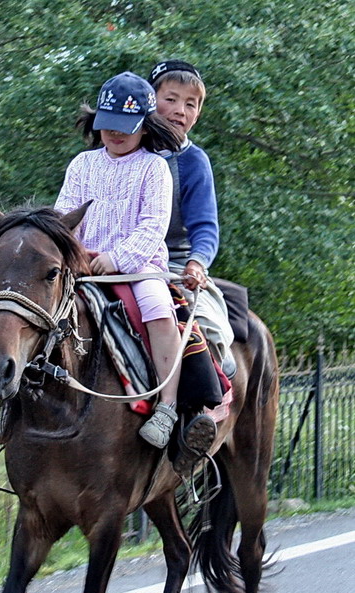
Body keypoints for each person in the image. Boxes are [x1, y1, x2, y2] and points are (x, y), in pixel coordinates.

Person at [55, 71, 186, 449]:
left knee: (159, 309)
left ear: (145, 127)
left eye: (125, 127)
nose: (115, 134)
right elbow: (65, 218)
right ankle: (20, 402)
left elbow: (152, 228)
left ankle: (167, 407)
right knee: (39, 309)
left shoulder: (154, 168)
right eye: (108, 126)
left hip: (140, 266)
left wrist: (117, 258)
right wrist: (78, 254)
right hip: (83, 266)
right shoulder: (82, 165)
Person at [145, 59, 237, 468]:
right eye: (171, 99)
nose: (181, 110)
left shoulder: (193, 161)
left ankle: (203, 411)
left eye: (192, 104)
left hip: (175, 265)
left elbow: (205, 227)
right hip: (115, 261)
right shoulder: (119, 146)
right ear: (151, 101)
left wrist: (198, 263)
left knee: (213, 332)